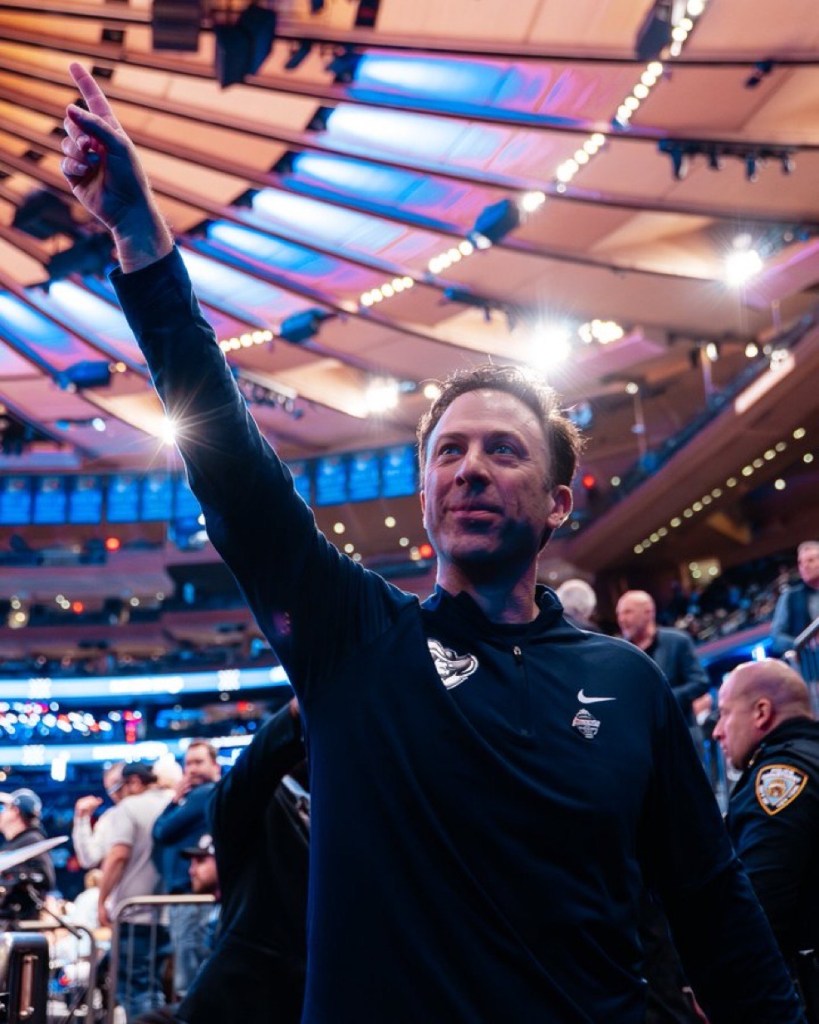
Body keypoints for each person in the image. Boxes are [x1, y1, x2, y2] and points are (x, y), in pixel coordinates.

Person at [61, 63, 804, 1023]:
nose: (471, 468)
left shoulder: (632, 689)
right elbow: (236, 473)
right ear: (423, 498)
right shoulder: (355, 642)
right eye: (448, 452)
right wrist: (138, 239)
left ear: (557, 503)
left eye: (504, 451)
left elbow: (717, 917)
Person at [176, 699, 308, 1024]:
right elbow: (250, 774)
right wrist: (296, 711)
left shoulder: (332, 805)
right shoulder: (256, 801)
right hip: (247, 995)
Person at [713, 660, 819, 966]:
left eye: (725, 713)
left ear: (761, 712)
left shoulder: (777, 780)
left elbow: (760, 915)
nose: (718, 731)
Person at [99, 761, 172, 1019]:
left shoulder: (129, 807)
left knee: (134, 991)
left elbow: (118, 855)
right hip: (169, 914)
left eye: (122, 787)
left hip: (134, 914)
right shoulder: (173, 802)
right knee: (155, 989)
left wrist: (102, 899)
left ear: (134, 782)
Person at [152, 741, 221, 1000]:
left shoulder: (203, 794)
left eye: (198, 762)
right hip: (199, 897)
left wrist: (174, 801)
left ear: (215, 765)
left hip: (192, 898)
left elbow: (161, 831)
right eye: (188, 763)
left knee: (189, 982)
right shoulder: (214, 793)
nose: (191, 769)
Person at [616, 589, 710, 723]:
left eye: (627, 612)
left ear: (648, 613)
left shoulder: (678, 641)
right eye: (618, 614)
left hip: (681, 730)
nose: (621, 619)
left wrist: (664, 699)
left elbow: (700, 682)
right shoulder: (621, 651)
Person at [0, 787, 56, 917]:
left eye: (4, 809)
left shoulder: (31, 840)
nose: (1, 814)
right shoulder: (15, 843)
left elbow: (46, 880)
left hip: (19, 919)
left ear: (15, 811)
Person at [72, 761, 126, 869]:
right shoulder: (109, 819)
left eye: (119, 786)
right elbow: (89, 860)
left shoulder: (153, 807)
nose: (115, 793)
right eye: (111, 789)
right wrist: (82, 820)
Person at [770, 541, 819, 656]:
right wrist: (806, 645)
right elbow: (777, 638)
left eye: (810, 560)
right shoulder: (789, 596)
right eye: (800, 563)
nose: (804, 566)